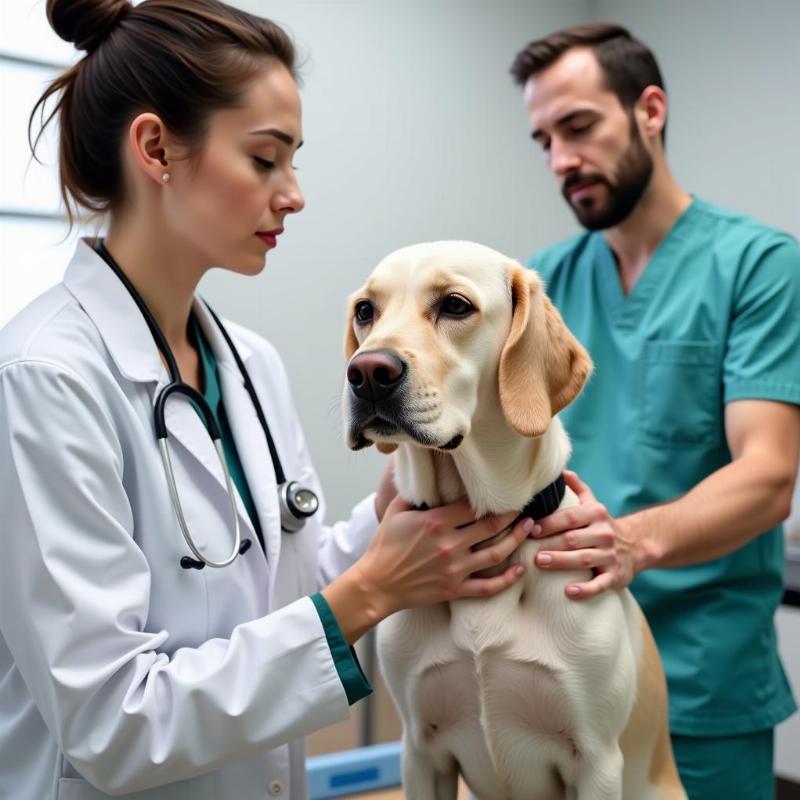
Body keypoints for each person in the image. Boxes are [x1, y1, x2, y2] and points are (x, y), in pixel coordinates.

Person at [0, 2, 535, 798]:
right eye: (266, 159)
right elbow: (112, 721)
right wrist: (372, 592)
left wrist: (407, 506)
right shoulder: (44, 379)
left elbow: (283, 583)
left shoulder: (249, 364)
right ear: (156, 149)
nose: (294, 195)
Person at [509, 22, 800, 800]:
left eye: (578, 127)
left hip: (700, 679)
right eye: (543, 139)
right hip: (557, 669)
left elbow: (769, 475)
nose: (560, 160)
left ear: (650, 110)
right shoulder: (540, 283)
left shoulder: (757, 266)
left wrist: (629, 543)